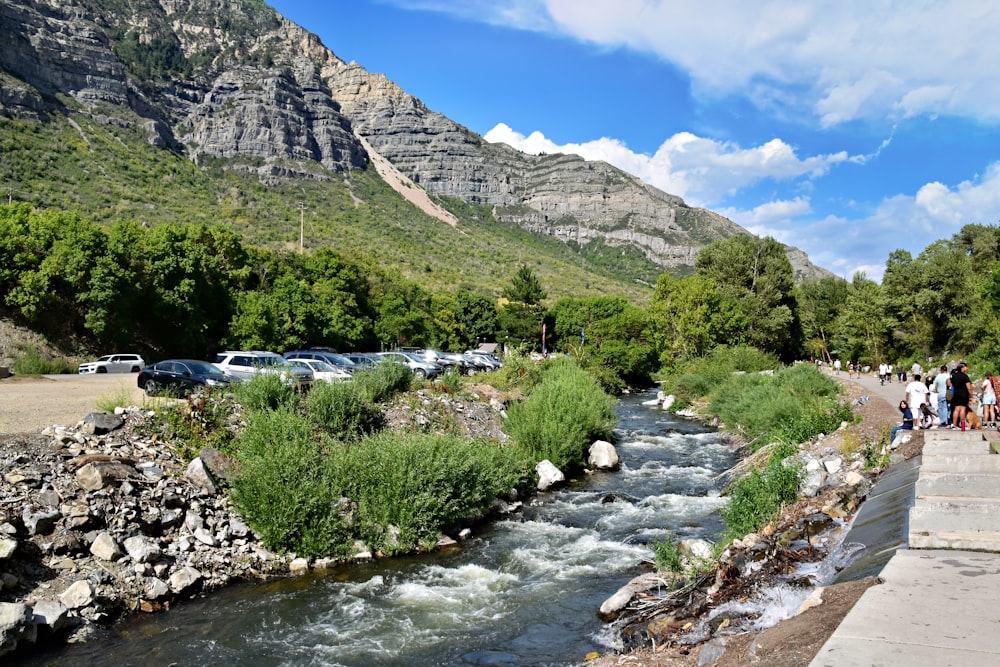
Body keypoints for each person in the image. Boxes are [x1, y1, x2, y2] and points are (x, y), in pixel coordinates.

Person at [950, 362, 974, 430]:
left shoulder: (954, 376)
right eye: (966, 367)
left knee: (956, 409)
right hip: (964, 394)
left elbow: (951, 383)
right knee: (962, 409)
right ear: (962, 368)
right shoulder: (964, 376)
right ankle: (962, 426)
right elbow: (968, 386)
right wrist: (971, 395)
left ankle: (954, 425)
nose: (967, 368)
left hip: (956, 394)